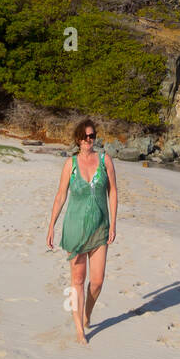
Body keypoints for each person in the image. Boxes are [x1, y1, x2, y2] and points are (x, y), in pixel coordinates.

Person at [46, 118, 118, 344]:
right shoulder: (70, 164)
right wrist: (51, 226)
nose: (89, 140)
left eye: (93, 136)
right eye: (85, 136)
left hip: (100, 227)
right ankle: (80, 330)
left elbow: (113, 192)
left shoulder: (105, 160)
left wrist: (114, 223)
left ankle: (87, 313)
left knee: (96, 281)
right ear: (78, 139)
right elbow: (60, 195)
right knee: (78, 279)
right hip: (75, 228)